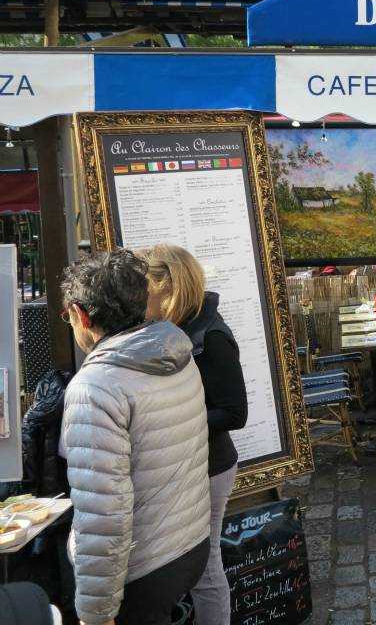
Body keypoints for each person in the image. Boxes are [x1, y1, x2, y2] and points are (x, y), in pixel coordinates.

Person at [59, 249, 210, 625]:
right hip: (189, 543)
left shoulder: (95, 387)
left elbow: (102, 514)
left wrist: (96, 614)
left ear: (80, 314)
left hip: (142, 567)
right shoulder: (175, 352)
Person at [137, 244, 249, 625]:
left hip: (210, 465)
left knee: (206, 566)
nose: (139, 296)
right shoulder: (174, 328)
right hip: (187, 462)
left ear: (167, 286)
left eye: (144, 286)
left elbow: (235, 413)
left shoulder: (211, 334)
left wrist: (173, 421)